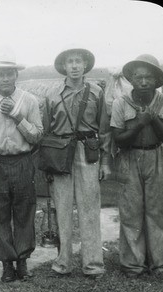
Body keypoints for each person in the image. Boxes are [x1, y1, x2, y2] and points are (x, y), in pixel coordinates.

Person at [0, 48, 43, 282]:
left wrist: (17, 117)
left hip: (22, 162)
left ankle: (22, 262)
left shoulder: (28, 100)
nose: (5, 78)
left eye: (9, 74)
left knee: (24, 211)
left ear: (16, 75)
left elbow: (36, 135)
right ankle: (6, 264)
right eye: (0, 74)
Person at [42, 47, 111, 278]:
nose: (73, 66)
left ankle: (93, 264)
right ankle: (63, 263)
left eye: (78, 61)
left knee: (90, 209)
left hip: (87, 151)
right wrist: (48, 164)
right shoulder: (52, 94)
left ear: (84, 65)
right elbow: (46, 131)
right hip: (61, 153)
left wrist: (104, 163)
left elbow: (104, 130)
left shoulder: (96, 92)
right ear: (63, 66)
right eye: (69, 62)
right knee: (62, 208)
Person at [110, 54, 163, 278]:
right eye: (138, 77)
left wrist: (154, 119)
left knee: (159, 212)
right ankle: (133, 265)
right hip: (129, 158)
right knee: (130, 212)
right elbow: (119, 139)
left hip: (156, 157)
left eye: (149, 77)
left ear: (157, 80)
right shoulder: (120, 103)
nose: (144, 82)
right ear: (131, 79)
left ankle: (160, 265)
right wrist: (140, 123)